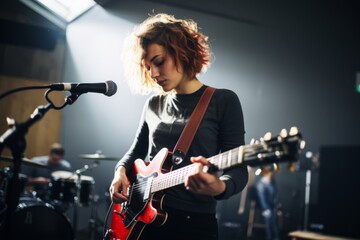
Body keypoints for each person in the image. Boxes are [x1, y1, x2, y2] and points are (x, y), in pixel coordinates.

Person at [109, 13, 248, 240]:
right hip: (143, 220)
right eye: (148, 67)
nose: (154, 74)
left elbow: (239, 168)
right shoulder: (153, 104)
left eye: (159, 62)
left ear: (182, 52)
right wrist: (120, 171)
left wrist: (220, 187)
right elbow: (135, 151)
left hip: (193, 224)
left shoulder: (223, 101)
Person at [256, 166, 281, 240]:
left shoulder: (273, 182)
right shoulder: (261, 185)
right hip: (266, 208)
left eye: (271, 173)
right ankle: (271, 237)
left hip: (274, 207)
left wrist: (277, 206)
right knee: (270, 218)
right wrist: (267, 209)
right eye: (269, 173)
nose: (270, 174)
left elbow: (276, 195)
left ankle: (276, 237)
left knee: (274, 219)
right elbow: (262, 200)